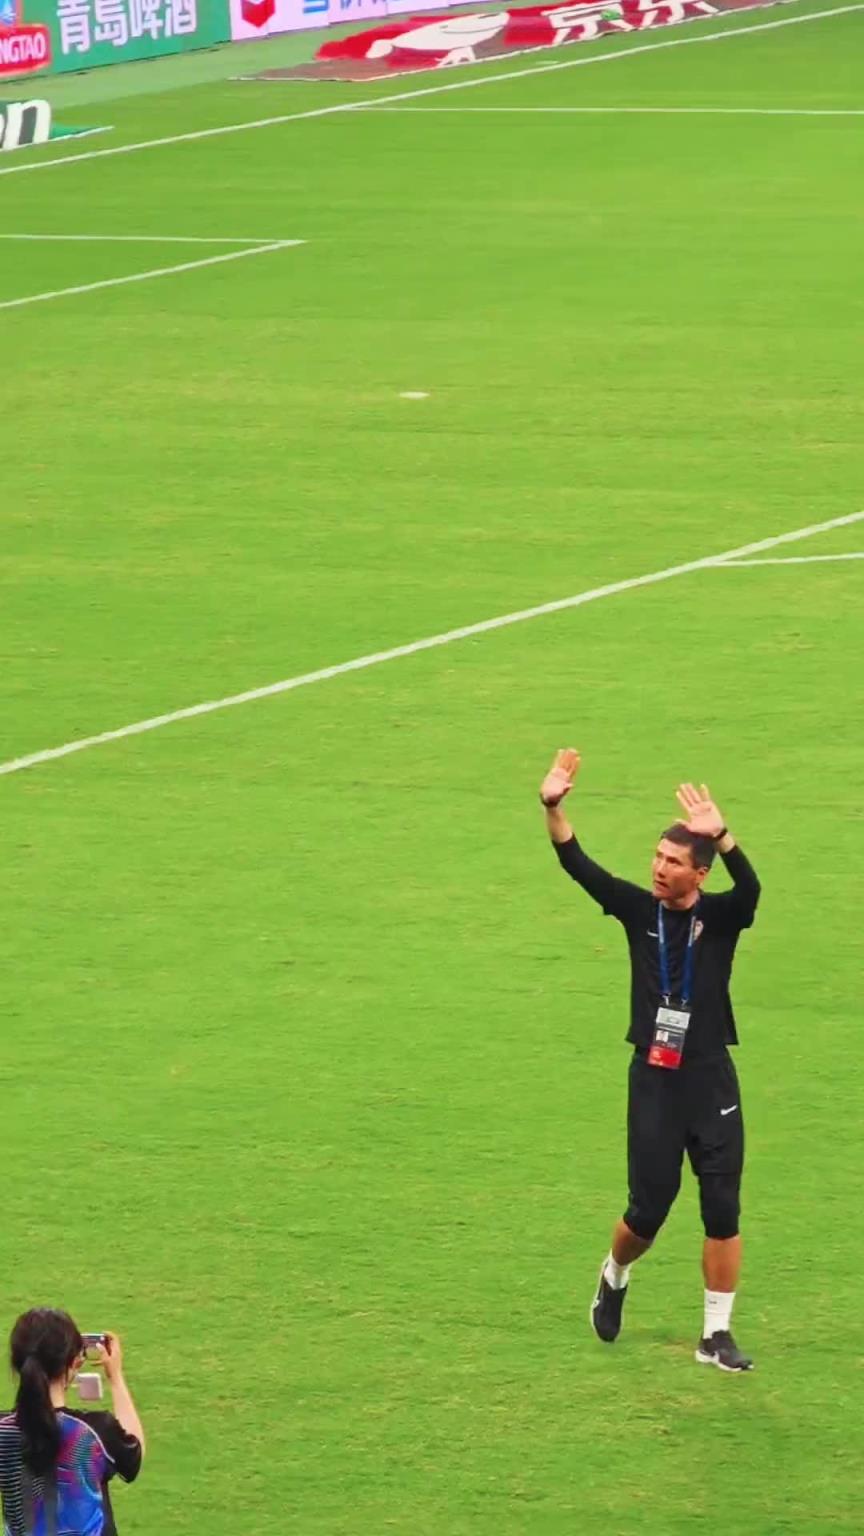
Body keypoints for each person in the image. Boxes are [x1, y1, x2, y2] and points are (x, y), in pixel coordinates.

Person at [540, 749, 761, 1372]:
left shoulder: (721, 918)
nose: (660, 869)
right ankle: (614, 1273)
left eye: (673, 862)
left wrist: (725, 835)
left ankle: (716, 1335)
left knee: (723, 1208)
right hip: (656, 1082)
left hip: (711, 1077)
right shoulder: (640, 911)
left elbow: (751, 890)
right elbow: (577, 863)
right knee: (648, 1212)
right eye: (657, 857)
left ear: (700, 874)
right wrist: (553, 807)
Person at [0, 1309, 144, 1535]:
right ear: (75, 1362)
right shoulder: (94, 1430)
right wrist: (115, 1377)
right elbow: (133, 1457)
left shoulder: (3, 1431)